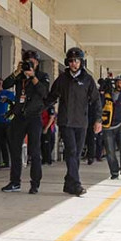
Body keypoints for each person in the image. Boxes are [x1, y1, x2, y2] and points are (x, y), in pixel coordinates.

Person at [45, 47, 102, 196]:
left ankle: (68, 184)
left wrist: (98, 120)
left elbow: (96, 101)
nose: (74, 64)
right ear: (67, 62)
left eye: (76, 61)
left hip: (82, 122)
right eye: (71, 61)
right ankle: (76, 185)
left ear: (81, 62)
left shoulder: (88, 79)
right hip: (66, 122)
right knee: (71, 151)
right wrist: (38, 107)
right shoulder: (62, 79)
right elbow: (52, 97)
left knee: (76, 155)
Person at [1, 50, 49, 194]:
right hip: (19, 117)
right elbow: (5, 85)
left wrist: (33, 77)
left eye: (32, 61)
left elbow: (44, 93)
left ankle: (35, 184)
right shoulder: (20, 76)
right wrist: (17, 72)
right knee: (15, 150)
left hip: (34, 117)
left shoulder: (42, 76)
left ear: (37, 63)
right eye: (27, 61)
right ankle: (15, 182)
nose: (29, 64)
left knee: (34, 152)